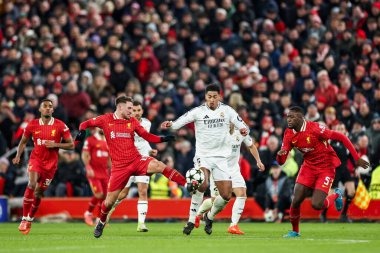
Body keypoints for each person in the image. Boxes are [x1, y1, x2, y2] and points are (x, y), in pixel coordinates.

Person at [75, 95, 192, 238]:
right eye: (129, 108)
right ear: (120, 107)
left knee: (159, 165)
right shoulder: (105, 119)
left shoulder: (132, 122)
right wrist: (81, 133)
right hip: (119, 167)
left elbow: (147, 136)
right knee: (109, 202)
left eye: (133, 108)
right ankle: (101, 222)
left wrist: (164, 138)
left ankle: (187, 184)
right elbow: (85, 124)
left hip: (136, 160)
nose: (131, 111)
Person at [161, 84, 250, 235]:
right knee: (202, 185)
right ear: (205, 97)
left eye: (215, 96)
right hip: (203, 156)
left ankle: (208, 217)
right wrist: (172, 124)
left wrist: (243, 129)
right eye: (209, 97)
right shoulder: (198, 111)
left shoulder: (227, 111)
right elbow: (181, 120)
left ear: (220, 97)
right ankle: (190, 220)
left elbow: (242, 125)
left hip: (221, 158)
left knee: (226, 196)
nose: (212, 100)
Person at [277, 106, 370, 238]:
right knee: (296, 200)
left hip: (326, 167)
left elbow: (341, 137)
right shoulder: (288, 133)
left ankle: (336, 195)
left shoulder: (315, 128)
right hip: (308, 167)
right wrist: (280, 155)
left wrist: (356, 158)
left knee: (317, 205)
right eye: (288, 117)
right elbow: (281, 161)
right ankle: (295, 231)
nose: (289, 120)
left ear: (301, 118)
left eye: (292, 117)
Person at [12, 99, 74, 235]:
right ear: (40, 109)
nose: (47, 108)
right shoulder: (32, 125)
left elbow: (71, 145)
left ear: (53, 110)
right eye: (44, 106)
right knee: (31, 184)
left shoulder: (60, 125)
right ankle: (23, 218)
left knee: (38, 193)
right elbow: (22, 142)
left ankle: (30, 219)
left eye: (50, 106)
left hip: (51, 166)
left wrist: (56, 145)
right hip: (36, 160)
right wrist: (18, 156)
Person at [193, 123, 265, 234]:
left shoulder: (241, 132)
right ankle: (201, 215)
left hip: (234, 170)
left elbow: (251, 146)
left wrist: (258, 161)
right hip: (218, 170)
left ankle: (233, 225)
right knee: (215, 202)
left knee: (242, 194)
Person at [106, 101, 158, 232]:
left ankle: (141, 224)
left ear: (142, 111)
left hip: (142, 160)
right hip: (127, 161)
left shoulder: (147, 123)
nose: (136, 112)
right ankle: (108, 210)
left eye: (138, 110)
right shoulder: (123, 123)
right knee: (123, 193)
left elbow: (144, 140)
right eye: (134, 110)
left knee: (143, 191)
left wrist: (150, 150)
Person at [320, 123, 356, 223]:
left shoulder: (347, 142)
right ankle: (323, 214)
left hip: (344, 170)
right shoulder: (330, 141)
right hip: (333, 170)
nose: (340, 130)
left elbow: (351, 157)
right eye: (338, 128)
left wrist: (356, 168)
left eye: (342, 129)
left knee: (352, 191)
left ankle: (344, 214)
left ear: (345, 131)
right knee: (330, 195)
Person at [82, 127, 110, 226]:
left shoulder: (108, 141)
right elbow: (85, 155)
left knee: (105, 197)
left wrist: (112, 171)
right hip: (93, 172)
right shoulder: (90, 140)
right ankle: (88, 213)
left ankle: (99, 219)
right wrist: (88, 167)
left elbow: (109, 159)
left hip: (105, 173)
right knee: (99, 194)